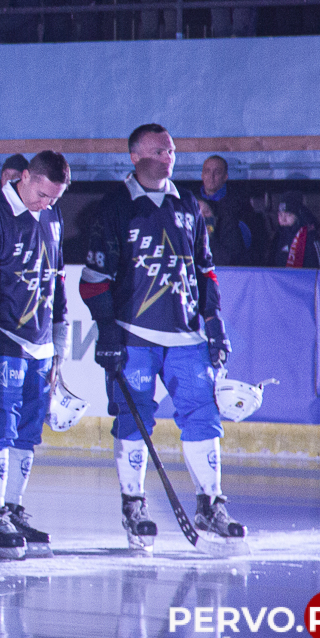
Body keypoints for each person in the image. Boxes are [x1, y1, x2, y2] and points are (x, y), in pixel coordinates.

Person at [80, 123, 243, 553]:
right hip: (134, 335)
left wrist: (213, 319)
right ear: (135, 157)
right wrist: (108, 329)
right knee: (133, 419)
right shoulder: (114, 207)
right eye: (158, 150)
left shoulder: (188, 203)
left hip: (186, 336)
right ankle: (134, 505)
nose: (168, 156)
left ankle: (211, 503)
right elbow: (93, 280)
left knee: (202, 414)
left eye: (171, 149)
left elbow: (205, 269)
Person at [0, 150, 72, 560]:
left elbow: (57, 286)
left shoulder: (52, 217)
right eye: (41, 193)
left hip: (40, 345)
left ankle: (13, 509)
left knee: (27, 432)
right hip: (1, 342)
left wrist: (58, 349)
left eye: (53, 198)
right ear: (24, 177)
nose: (45, 203)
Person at [192, 156, 255, 267]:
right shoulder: (190, 201)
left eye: (217, 172)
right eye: (207, 171)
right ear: (202, 175)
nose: (211, 177)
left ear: (225, 176)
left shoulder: (238, 204)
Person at [268, 193, 320, 268]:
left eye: (288, 215)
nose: (283, 219)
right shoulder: (278, 237)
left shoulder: (309, 237)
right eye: (280, 215)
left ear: (297, 216)